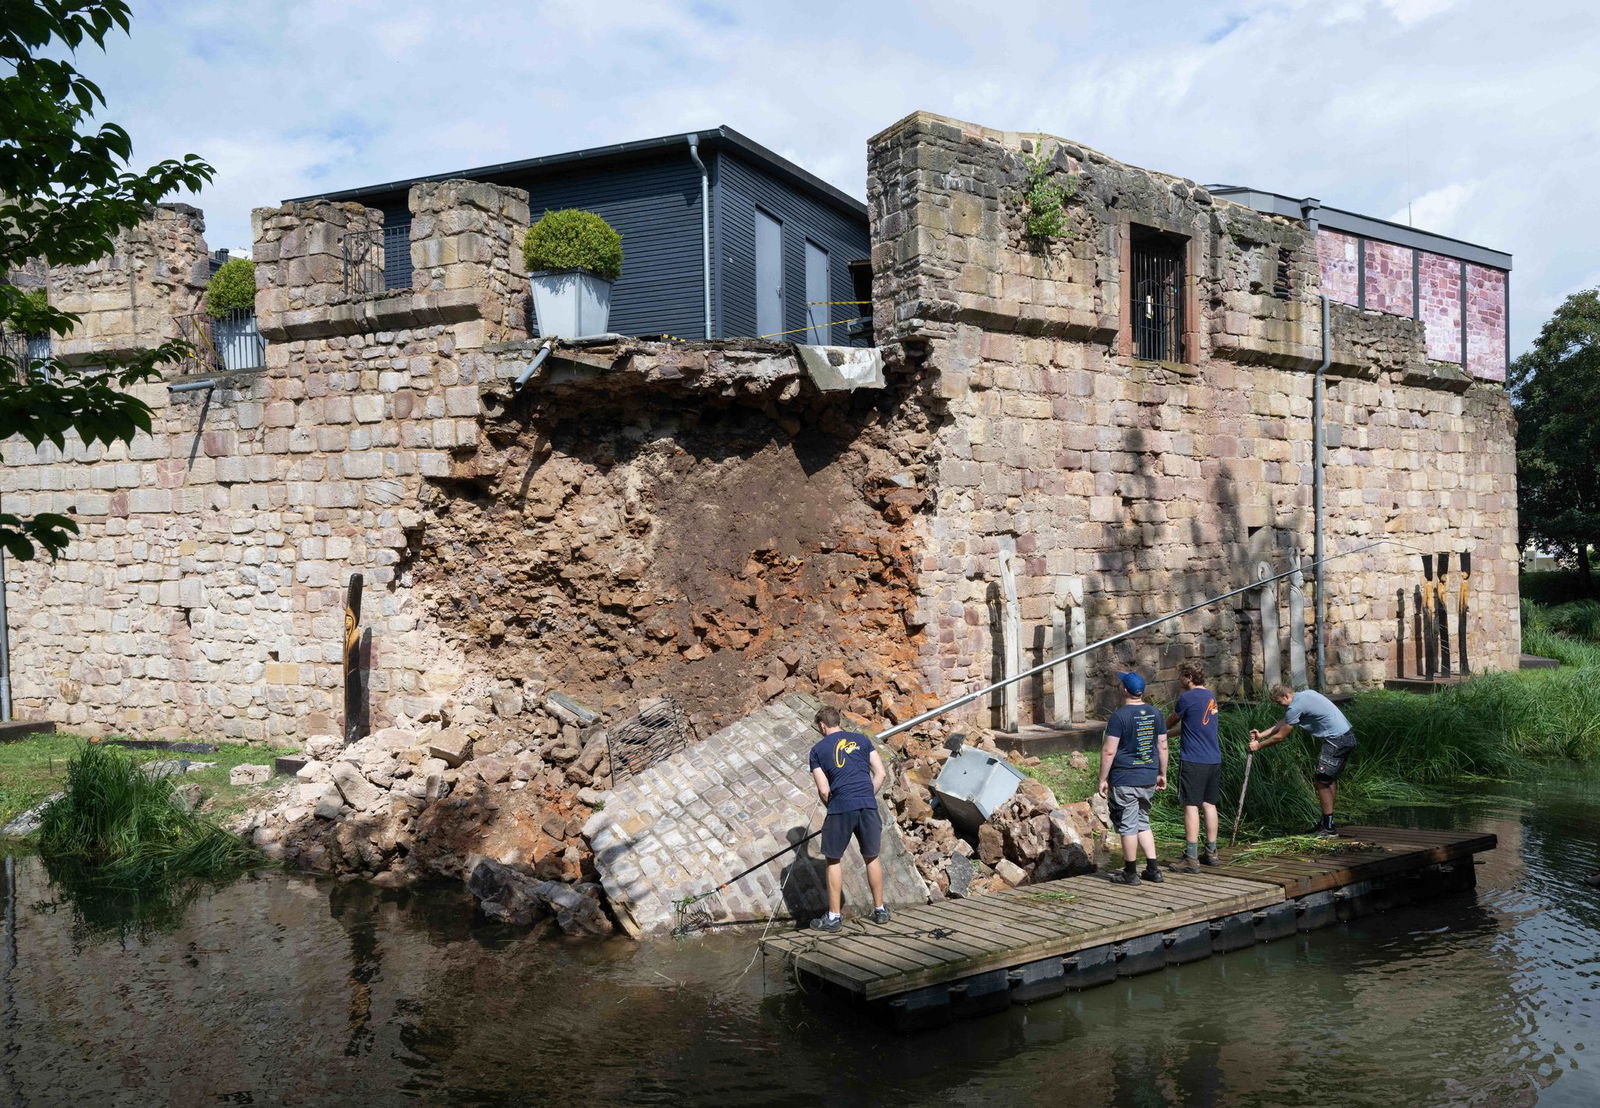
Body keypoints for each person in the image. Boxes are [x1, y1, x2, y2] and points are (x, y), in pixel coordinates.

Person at [807, 705, 890, 932]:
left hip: (841, 807)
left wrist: (836, 804)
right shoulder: (862, 741)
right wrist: (864, 795)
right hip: (867, 804)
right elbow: (881, 773)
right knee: (871, 856)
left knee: (833, 859)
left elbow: (824, 790)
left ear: (823, 726)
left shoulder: (816, 750)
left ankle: (834, 918)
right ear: (838, 722)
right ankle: (880, 910)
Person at [1248, 684, 1358, 837]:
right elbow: (1286, 720)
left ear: (1286, 696)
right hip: (1346, 738)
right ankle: (1327, 824)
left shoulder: (1295, 706)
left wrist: (1258, 746)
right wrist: (1261, 735)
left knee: (1321, 780)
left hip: (1336, 741)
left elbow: (1280, 737)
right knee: (1328, 780)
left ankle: (1329, 828)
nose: (1280, 706)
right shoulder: (1306, 694)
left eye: (1279, 702)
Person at [1097, 671, 1169, 885]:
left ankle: (1130, 873)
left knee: (1127, 826)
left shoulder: (1120, 716)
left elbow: (1109, 751)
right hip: (1148, 777)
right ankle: (1153, 870)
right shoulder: (1155, 713)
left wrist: (1102, 778)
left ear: (1125, 690)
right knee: (1143, 822)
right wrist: (1162, 773)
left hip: (1125, 778)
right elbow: (1163, 745)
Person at [1166, 661, 1222, 873]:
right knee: (1209, 804)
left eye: (1181, 676)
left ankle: (1191, 857)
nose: (1179, 680)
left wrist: (1159, 731)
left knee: (1190, 805)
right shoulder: (1210, 696)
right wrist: (1168, 735)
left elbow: (1171, 722)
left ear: (1188, 676)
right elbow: (1191, 727)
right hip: (1213, 758)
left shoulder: (1186, 698)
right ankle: (1212, 852)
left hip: (1193, 759)